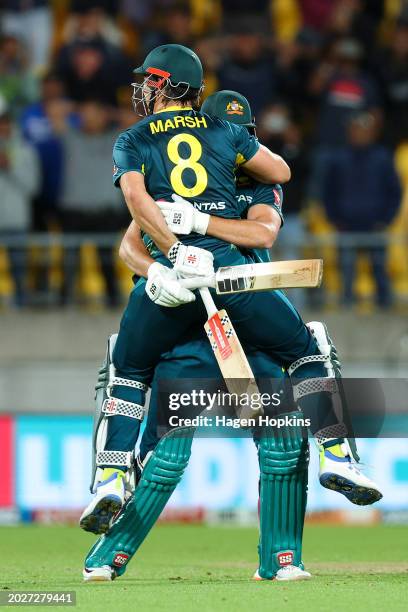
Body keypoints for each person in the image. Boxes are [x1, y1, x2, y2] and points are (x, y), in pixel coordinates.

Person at [80, 45, 381, 549]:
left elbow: (139, 213)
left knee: (127, 370)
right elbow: (279, 171)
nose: (141, 91)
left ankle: (110, 478)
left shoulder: (135, 141)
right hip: (229, 279)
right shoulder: (225, 137)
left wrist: (175, 251)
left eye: (147, 81)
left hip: (178, 294)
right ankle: (338, 453)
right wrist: (176, 257)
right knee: (309, 350)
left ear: (163, 84)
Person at [82, 90, 311, 582]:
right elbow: (129, 244)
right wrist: (156, 273)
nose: (241, 145)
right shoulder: (188, 179)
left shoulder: (259, 191)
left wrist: (203, 223)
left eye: (247, 136)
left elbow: (263, 235)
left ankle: (282, 560)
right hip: (189, 328)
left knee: (283, 441)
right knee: (167, 452)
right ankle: (109, 554)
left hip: (248, 333)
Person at [322, 112, 401, 307]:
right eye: (356, 129)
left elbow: (395, 192)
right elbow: (328, 191)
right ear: (349, 131)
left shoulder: (382, 157)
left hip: (376, 224)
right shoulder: (338, 158)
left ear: (373, 132)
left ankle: (385, 308)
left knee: (380, 268)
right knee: (347, 270)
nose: (360, 134)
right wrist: (335, 219)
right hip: (346, 224)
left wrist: (386, 219)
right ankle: (347, 308)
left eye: (365, 130)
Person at [0, 105, 39, 306]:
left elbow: (32, 187)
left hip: (16, 220)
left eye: (4, 122)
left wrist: (9, 167)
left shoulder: (25, 150)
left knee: (19, 269)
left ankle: (22, 303)